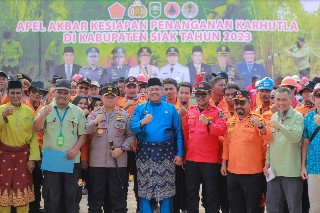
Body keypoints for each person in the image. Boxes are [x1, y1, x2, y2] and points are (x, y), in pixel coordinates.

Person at [130, 77, 183, 213]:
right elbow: (132, 128)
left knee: (166, 190)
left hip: (166, 154)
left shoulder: (170, 109)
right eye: (151, 90)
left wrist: (179, 154)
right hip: (144, 154)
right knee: (145, 190)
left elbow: (178, 132)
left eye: (157, 89)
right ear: (147, 92)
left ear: (162, 91)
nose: (154, 92)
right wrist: (142, 122)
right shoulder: (140, 108)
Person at [33, 79, 87, 213]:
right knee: (52, 195)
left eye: (65, 92)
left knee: (71, 195)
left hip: (71, 159)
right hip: (52, 158)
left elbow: (83, 135)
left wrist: (75, 149)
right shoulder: (46, 109)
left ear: (70, 94)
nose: (62, 95)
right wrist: (43, 114)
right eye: (59, 92)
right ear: (54, 92)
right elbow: (35, 127)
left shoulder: (78, 112)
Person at [86, 84, 135, 213]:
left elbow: (131, 136)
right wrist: (96, 121)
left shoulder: (123, 115)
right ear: (101, 98)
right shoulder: (94, 114)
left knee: (117, 199)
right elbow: (87, 130)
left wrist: (122, 148)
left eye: (112, 97)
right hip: (97, 163)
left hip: (118, 163)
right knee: (95, 199)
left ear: (117, 98)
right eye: (106, 97)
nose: (109, 100)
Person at [221, 90, 271, 213]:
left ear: (249, 103)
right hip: (233, 172)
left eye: (242, 103)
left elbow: (268, 137)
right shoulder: (231, 121)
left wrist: (260, 126)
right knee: (236, 207)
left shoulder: (258, 119)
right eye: (236, 103)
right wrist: (224, 163)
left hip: (253, 173)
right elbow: (227, 143)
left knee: (253, 208)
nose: (238, 106)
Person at [183, 81, 226, 213]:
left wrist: (208, 123)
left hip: (210, 160)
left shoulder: (218, 112)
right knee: (191, 192)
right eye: (198, 95)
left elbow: (222, 130)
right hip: (191, 159)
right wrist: (183, 154)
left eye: (203, 94)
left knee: (210, 193)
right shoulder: (190, 110)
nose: (200, 97)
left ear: (210, 94)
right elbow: (185, 133)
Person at [0, 80, 40, 213]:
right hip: (4, 155)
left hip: (23, 156)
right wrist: (3, 116)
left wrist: (32, 158)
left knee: (22, 188)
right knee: (3, 188)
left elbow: (34, 136)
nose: (15, 96)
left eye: (18, 93)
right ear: (8, 93)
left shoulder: (28, 111)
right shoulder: (1, 109)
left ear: (22, 94)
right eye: (12, 93)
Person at [264, 87, 304, 213]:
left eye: (284, 100)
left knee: (294, 207)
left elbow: (296, 138)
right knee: (272, 206)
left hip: (291, 171)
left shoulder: (298, 117)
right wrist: (267, 163)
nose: (281, 103)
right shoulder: (274, 116)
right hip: (274, 171)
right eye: (278, 99)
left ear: (291, 99)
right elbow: (270, 142)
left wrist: (280, 127)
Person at [117, 76, 146, 212]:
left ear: (138, 88)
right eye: (129, 86)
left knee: (140, 182)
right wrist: (124, 107)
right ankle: (122, 208)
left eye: (134, 86)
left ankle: (141, 208)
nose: (132, 89)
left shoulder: (144, 103)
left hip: (140, 148)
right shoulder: (118, 102)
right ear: (124, 88)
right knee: (121, 180)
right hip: (123, 148)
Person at [25, 81, 47, 213]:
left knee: (37, 180)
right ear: (29, 92)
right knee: (23, 180)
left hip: (40, 149)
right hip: (24, 148)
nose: (37, 94)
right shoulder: (22, 106)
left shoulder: (45, 109)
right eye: (34, 91)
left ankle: (35, 206)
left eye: (40, 92)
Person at [173, 82, 193, 213]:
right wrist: (177, 115)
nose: (184, 95)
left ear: (191, 95)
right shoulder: (171, 110)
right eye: (182, 93)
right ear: (177, 94)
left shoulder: (196, 110)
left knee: (190, 186)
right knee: (175, 185)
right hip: (174, 154)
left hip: (191, 155)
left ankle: (187, 209)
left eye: (187, 93)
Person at [301, 83, 320, 213]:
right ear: (314, 97)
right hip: (313, 166)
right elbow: (305, 142)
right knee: (314, 207)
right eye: (319, 95)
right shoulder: (308, 117)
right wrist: (303, 165)